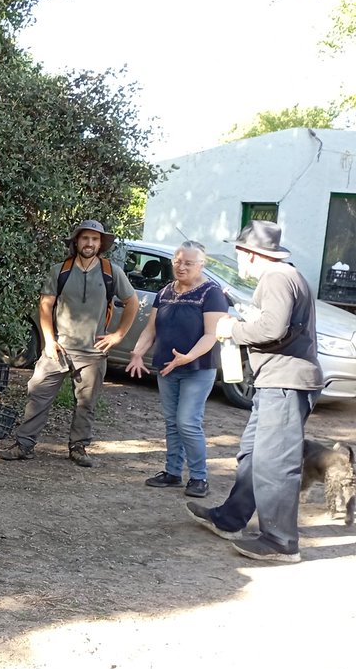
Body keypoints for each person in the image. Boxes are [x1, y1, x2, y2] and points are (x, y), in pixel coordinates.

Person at [186, 221, 323, 563]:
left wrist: (233, 327)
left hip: (285, 383)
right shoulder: (285, 276)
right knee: (253, 455)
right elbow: (281, 325)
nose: (237, 260)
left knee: (275, 462)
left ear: (250, 254)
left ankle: (280, 541)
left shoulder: (277, 278)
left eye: (239, 253)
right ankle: (230, 519)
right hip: (276, 381)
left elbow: (272, 328)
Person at [0, 219, 139, 467]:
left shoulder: (111, 272)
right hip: (58, 349)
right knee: (38, 395)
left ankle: (79, 447)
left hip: (93, 353)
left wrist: (117, 335)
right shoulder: (60, 270)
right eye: (85, 238)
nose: (90, 243)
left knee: (86, 404)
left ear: (100, 244)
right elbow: (45, 305)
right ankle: (24, 445)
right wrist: (49, 341)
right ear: (76, 241)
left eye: (95, 239)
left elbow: (132, 302)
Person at [125, 241, 228, 498]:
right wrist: (138, 352)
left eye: (188, 263)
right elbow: (151, 330)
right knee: (172, 422)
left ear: (201, 265)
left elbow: (211, 335)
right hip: (166, 367)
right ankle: (172, 472)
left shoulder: (211, 293)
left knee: (188, 422)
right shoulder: (165, 292)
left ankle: (199, 477)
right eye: (177, 261)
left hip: (198, 368)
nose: (181, 267)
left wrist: (188, 357)